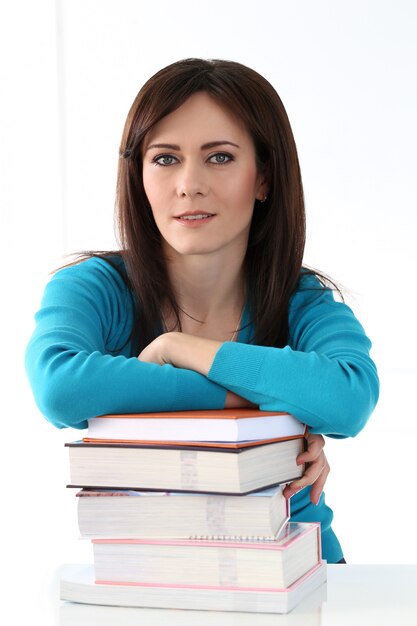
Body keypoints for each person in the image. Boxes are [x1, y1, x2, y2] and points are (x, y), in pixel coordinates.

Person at [25, 58, 379, 564]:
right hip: (151, 579)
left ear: (264, 179)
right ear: (139, 176)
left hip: (300, 577)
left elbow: (348, 399)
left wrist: (178, 349)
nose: (189, 184)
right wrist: (272, 415)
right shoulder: (94, 287)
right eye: (165, 159)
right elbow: (61, 388)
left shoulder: (301, 300)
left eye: (219, 158)